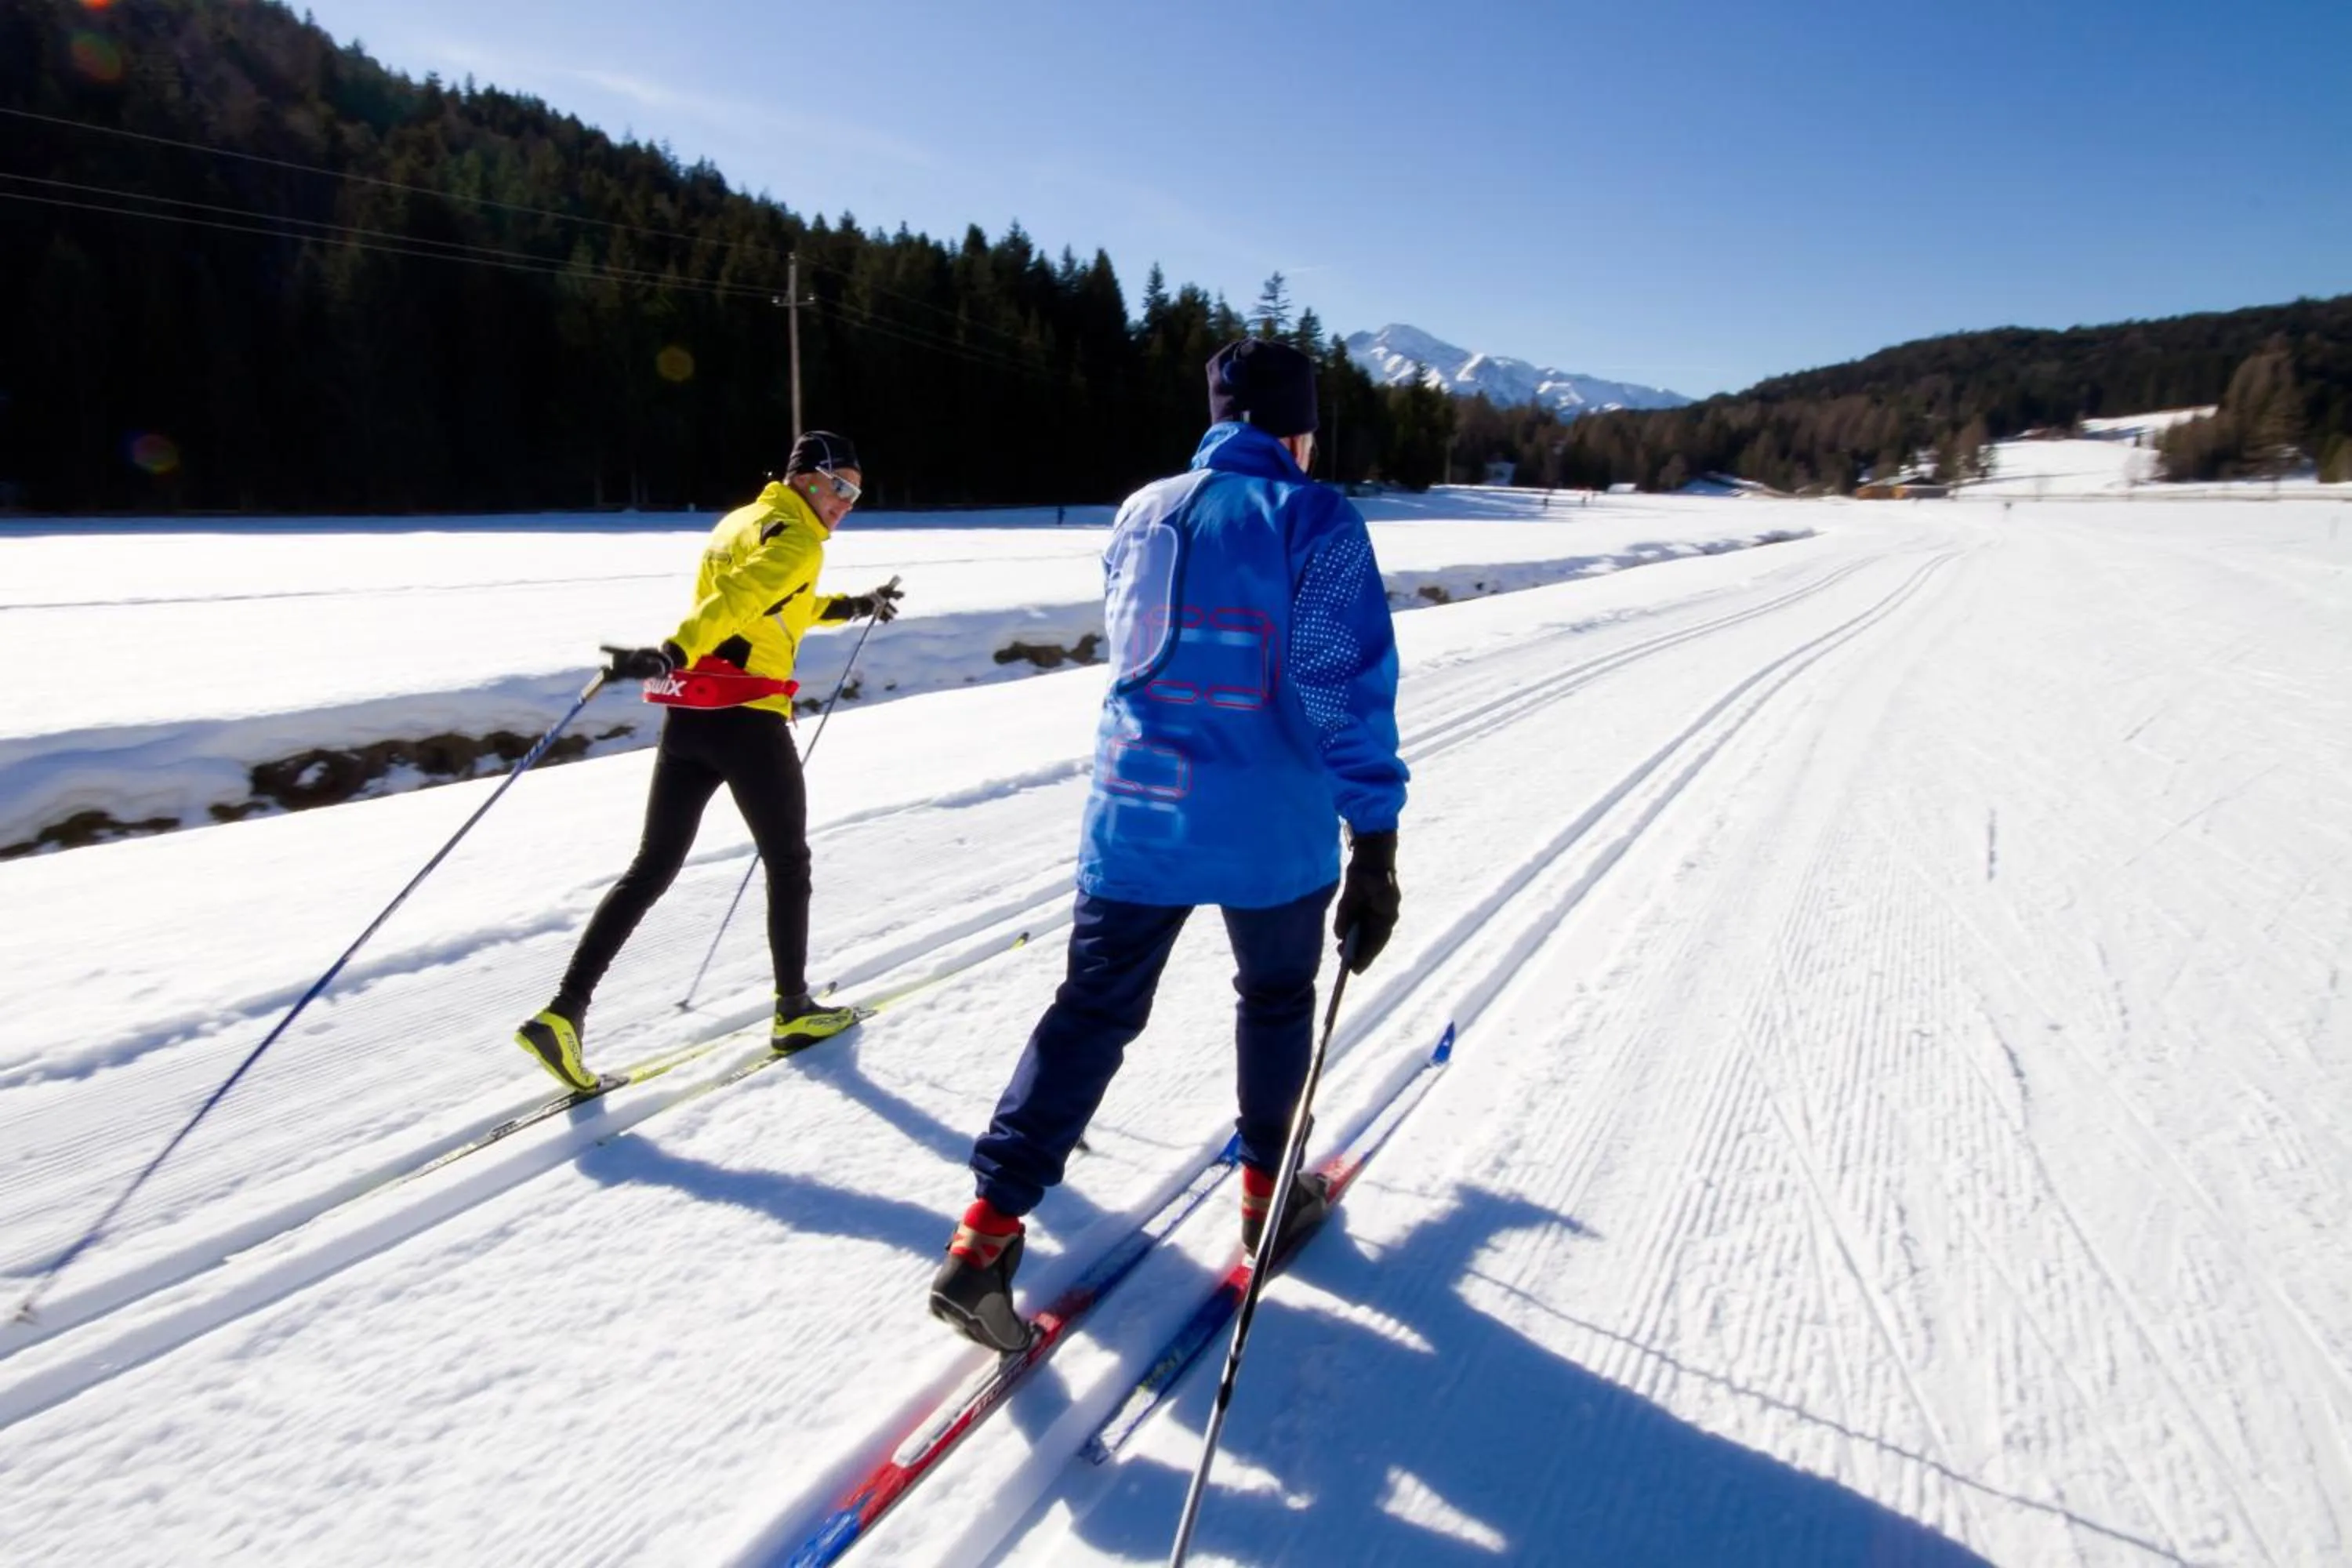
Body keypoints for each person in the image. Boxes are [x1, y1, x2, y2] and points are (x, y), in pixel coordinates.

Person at [928, 339, 1408, 1352]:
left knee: (1092, 1009)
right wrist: (1376, 838)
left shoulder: (1142, 510)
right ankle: (1269, 1197)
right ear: (1297, 430)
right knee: (1275, 999)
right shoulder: (1313, 515)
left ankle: (984, 1237)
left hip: (1135, 808)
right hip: (1267, 824)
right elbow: (1338, 687)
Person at [514, 431, 905, 1091]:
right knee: (788, 862)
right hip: (747, 720)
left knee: (651, 867)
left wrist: (854, 606)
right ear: (807, 476)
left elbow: (777, 608)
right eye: (840, 485)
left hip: (689, 717)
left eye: (857, 493)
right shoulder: (799, 537)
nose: (847, 502)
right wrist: (673, 648)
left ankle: (563, 1013)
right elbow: (739, 602)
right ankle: (793, 1011)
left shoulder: (744, 521)